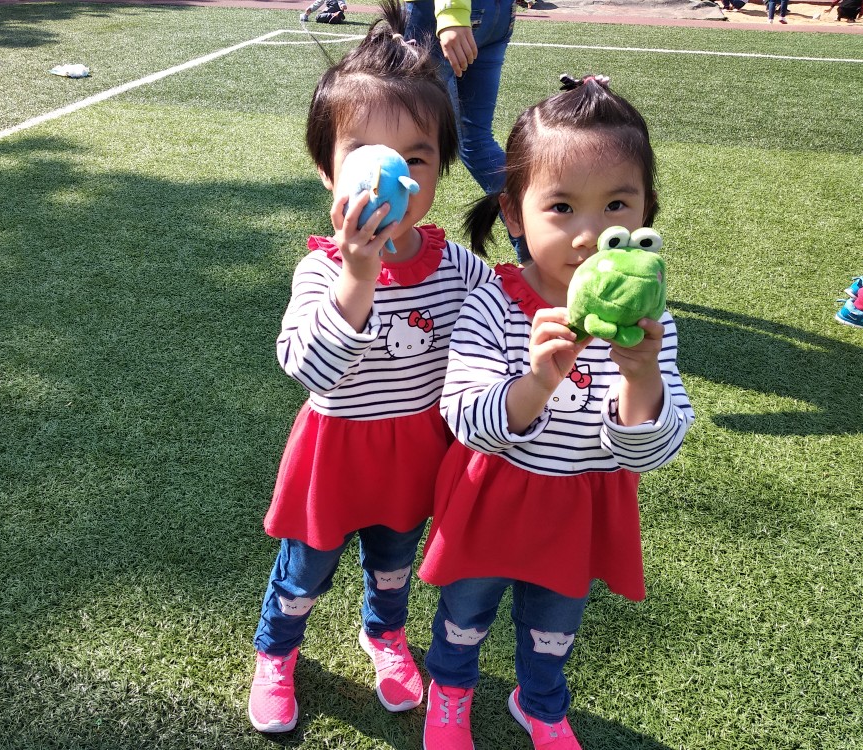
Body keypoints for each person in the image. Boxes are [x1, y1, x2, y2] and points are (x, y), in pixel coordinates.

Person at [416, 74, 696, 750]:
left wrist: (639, 376)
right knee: (464, 613)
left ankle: (540, 701)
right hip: (492, 495)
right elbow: (465, 420)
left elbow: (655, 448)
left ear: (647, 212)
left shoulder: (651, 325)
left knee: (555, 627)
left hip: (579, 503)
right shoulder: (492, 303)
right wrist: (537, 381)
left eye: (617, 205)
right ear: (515, 215)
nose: (590, 235)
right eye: (563, 207)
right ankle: (449, 692)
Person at [247, 0, 495, 734]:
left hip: (414, 449)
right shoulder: (323, 270)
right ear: (328, 172)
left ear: (440, 169)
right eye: (365, 155)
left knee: (394, 566)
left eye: (416, 158)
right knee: (304, 570)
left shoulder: (459, 270)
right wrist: (359, 275)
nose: (395, 177)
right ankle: (276, 652)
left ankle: (384, 635)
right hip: (336, 450)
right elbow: (310, 368)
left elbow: (504, 329)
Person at [404, 0, 529, 262]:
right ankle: (536, 247)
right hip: (497, 12)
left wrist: (452, 12)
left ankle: (380, 246)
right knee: (477, 142)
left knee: (402, 134)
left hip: (447, 13)